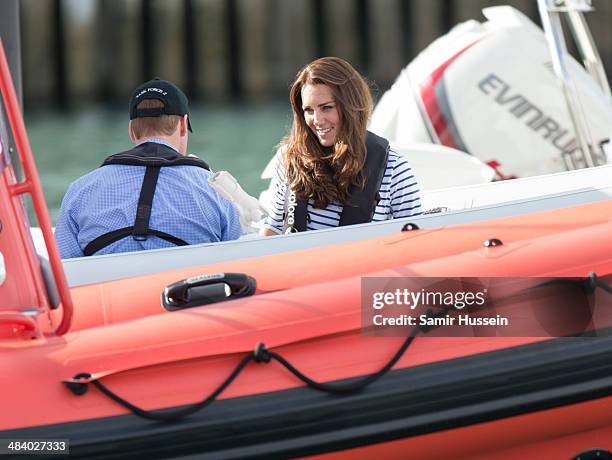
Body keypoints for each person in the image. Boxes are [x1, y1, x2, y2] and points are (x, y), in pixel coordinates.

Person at [55, 78, 241, 258]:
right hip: (185, 287)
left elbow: (66, 265)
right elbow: (235, 259)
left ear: (131, 130)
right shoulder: (215, 190)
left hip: (109, 288)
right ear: (183, 125)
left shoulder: (79, 190)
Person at [262, 57, 422, 235]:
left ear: (351, 106)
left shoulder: (394, 168)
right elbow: (274, 229)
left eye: (326, 107)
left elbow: (415, 239)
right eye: (309, 110)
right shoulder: (288, 159)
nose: (317, 120)